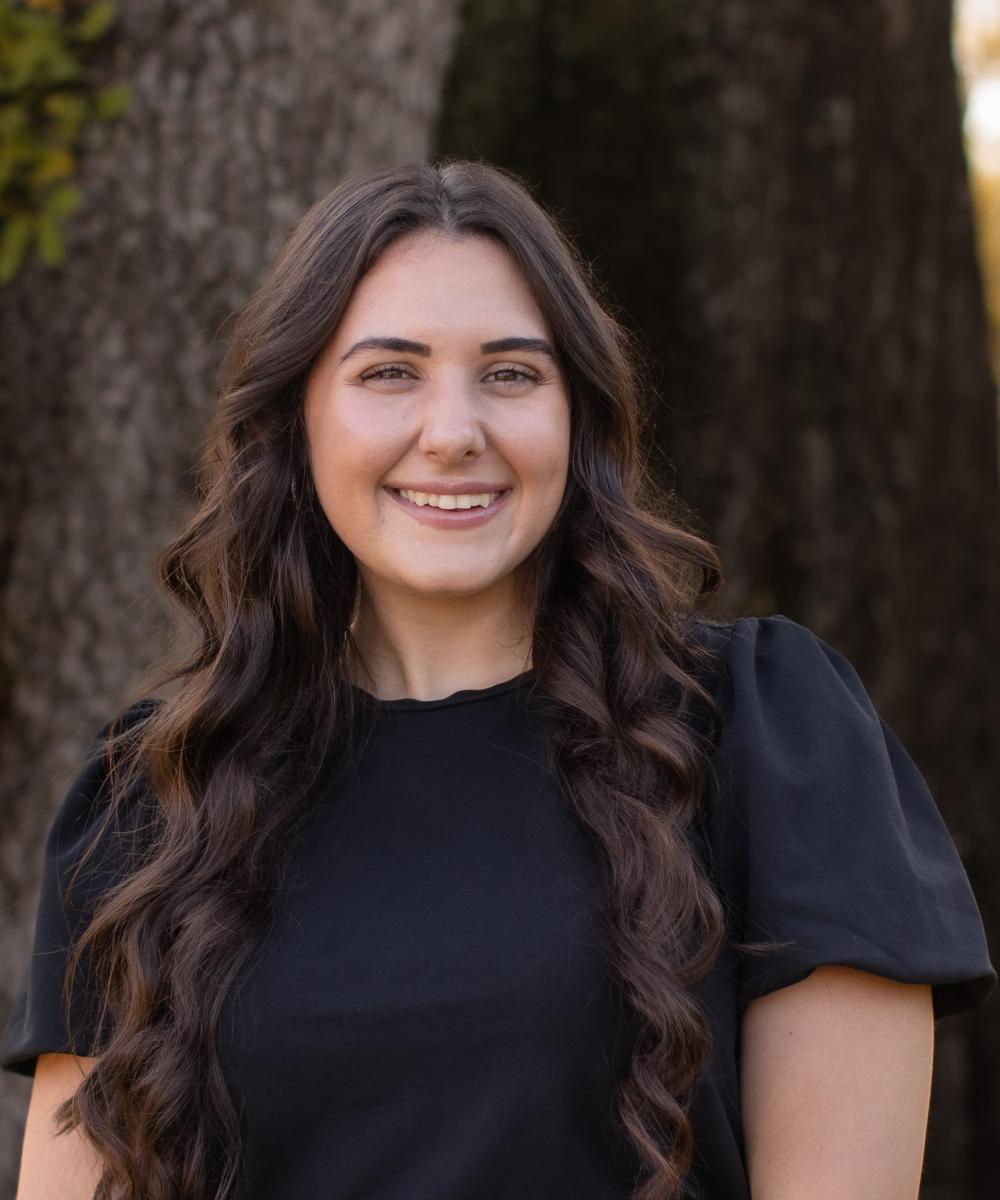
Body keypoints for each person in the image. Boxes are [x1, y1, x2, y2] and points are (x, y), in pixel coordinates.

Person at [1, 158, 995, 1200]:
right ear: (296, 419)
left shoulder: (766, 734)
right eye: (389, 373)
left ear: (577, 415)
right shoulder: (156, 798)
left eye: (511, 374)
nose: (452, 433)